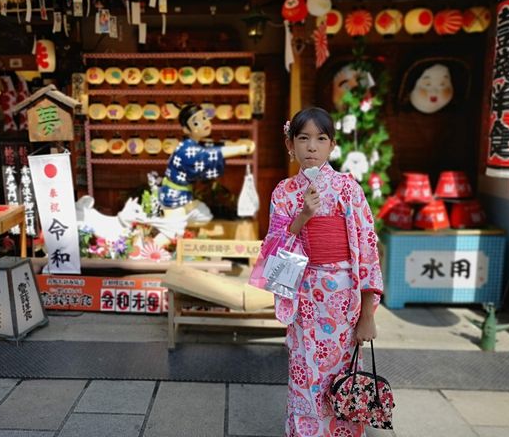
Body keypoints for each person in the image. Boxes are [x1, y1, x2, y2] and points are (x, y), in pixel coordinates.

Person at [249, 107, 383, 437]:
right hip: (303, 296)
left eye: (320, 139)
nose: (312, 147)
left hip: (342, 298)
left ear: (332, 146)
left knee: (342, 375)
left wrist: (368, 314)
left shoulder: (348, 190)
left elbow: (366, 249)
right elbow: (274, 250)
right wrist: (303, 216)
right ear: (289, 145)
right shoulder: (283, 192)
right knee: (303, 372)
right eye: (303, 138)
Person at [159, 104, 254, 216]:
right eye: (196, 122)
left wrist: (236, 144)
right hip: (173, 198)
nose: (204, 123)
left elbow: (214, 146)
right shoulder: (186, 149)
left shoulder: (196, 143)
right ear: (185, 129)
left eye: (204, 118)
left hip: (183, 195)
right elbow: (208, 154)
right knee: (174, 229)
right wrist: (240, 149)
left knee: (203, 215)